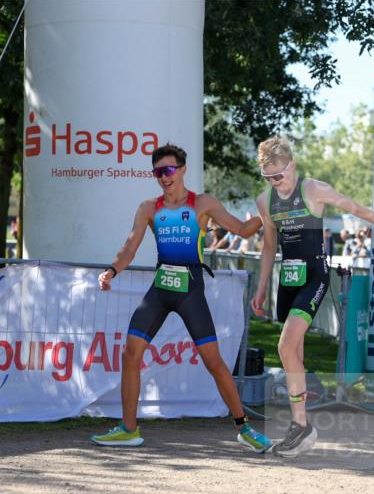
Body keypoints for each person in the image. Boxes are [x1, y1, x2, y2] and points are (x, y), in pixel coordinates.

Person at [92, 143, 272, 453]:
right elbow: (129, 247)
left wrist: (269, 210)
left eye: (170, 170)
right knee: (130, 352)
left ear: (183, 170)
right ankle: (129, 429)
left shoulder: (202, 204)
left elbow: (242, 230)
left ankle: (243, 427)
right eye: (159, 172)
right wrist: (112, 270)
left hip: (190, 290)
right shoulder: (149, 208)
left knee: (214, 362)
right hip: (162, 289)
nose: (164, 177)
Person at [252, 136, 374, 457]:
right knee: (291, 354)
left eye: (279, 175)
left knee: (284, 346)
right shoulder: (264, 200)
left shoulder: (313, 190)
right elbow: (269, 245)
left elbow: (356, 209)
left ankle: (301, 425)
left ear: (292, 165)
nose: (275, 183)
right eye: (268, 178)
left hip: (315, 274)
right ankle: (299, 427)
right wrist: (260, 289)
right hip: (288, 279)